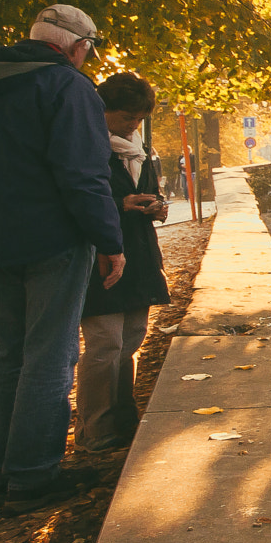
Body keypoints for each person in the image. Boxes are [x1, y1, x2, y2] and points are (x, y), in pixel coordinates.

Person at [0, 4, 125, 515]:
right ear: (75, 46)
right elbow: (83, 175)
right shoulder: (68, 88)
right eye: (88, 51)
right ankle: (31, 478)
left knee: (5, 356)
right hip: (53, 242)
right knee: (50, 355)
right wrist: (110, 240)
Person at [74, 72, 170, 452]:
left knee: (130, 340)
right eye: (127, 117)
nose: (133, 125)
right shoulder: (83, 145)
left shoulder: (140, 147)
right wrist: (120, 205)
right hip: (101, 255)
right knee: (104, 344)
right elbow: (76, 199)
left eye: (138, 119)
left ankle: (123, 418)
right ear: (105, 111)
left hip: (139, 254)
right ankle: (93, 429)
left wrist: (156, 206)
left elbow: (147, 189)